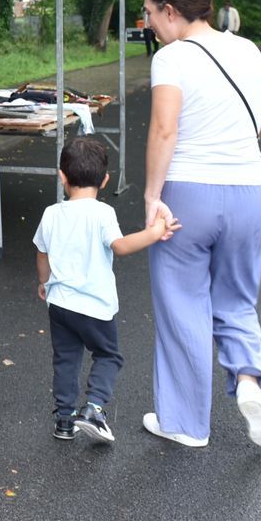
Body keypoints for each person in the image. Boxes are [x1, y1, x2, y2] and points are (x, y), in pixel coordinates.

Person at [139, 0, 261, 448]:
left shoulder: (172, 58)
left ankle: (185, 423)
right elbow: (259, 125)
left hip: (189, 194)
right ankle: (248, 379)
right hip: (249, 193)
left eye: (151, 14)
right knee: (237, 300)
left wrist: (151, 196)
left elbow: (164, 129)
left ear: (172, 11)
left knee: (183, 304)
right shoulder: (250, 52)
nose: (149, 24)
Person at [35, 135, 177, 444]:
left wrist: (44, 282)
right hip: (95, 306)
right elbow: (121, 246)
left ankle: (64, 420)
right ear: (105, 180)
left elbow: (42, 253)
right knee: (108, 355)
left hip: (60, 304)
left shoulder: (51, 214)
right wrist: (153, 233)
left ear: (62, 177)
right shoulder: (103, 214)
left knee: (66, 359)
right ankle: (94, 409)